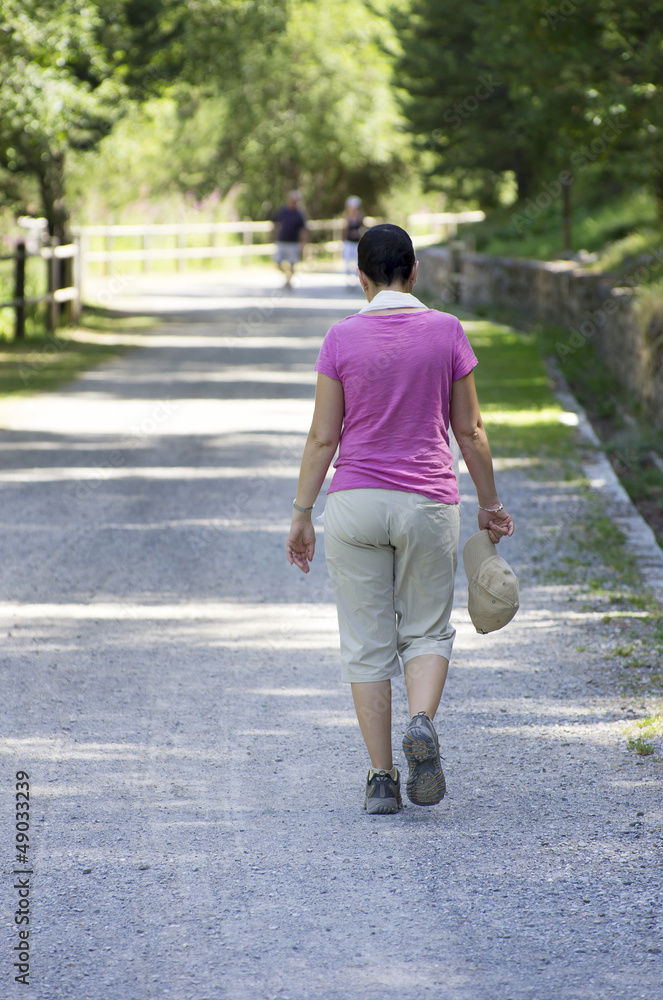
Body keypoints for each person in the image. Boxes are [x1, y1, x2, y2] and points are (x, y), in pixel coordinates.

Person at [286, 223, 514, 815]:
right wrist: (490, 505)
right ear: (414, 272)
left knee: (366, 644)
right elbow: (470, 430)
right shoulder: (447, 331)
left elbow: (322, 438)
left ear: (360, 277)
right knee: (427, 630)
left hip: (355, 504)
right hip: (427, 504)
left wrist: (302, 512)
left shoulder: (340, 338)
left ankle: (382, 780)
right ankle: (421, 721)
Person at [272, 191, 308, 288]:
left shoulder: (299, 214)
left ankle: (288, 281)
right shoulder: (282, 211)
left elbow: (303, 230)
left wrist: (303, 243)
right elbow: (274, 221)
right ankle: (286, 275)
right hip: (282, 241)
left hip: (293, 242)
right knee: (277, 263)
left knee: (292, 264)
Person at [341, 196, 365, 284]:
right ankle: (348, 279)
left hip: (357, 242)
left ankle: (356, 279)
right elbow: (344, 230)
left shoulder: (360, 218)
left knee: (357, 262)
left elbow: (363, 229)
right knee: (347, 262)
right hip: (349, 242)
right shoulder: (346, 218)